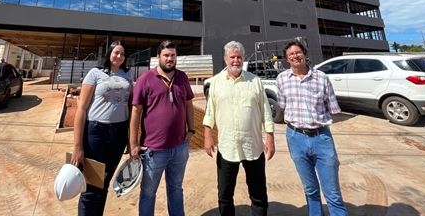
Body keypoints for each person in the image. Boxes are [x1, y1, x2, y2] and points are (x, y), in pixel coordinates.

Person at [276, 40, 347, 216]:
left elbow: (333, 108)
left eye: (298, 52)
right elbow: (283, 106)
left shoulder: (321, 78)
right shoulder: (282, 79)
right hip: (295, 137)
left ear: (305, 54)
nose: (295, 56)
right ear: (286, 59)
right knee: (310, 190)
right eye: (291, 54)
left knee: (332, 192)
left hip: (321, 137)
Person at [203, 41, 275, 216]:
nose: (236, 60)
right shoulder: (216, 83)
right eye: (232, 57)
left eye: (239, 57)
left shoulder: (255, 81)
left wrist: (270, 138)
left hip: (253, 146)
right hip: (227, 147)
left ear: (243, 59)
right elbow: (210, 112)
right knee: (225, 194)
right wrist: (207, 136)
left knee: (258, 193)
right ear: (225, 59)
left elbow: (265, 111)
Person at [129, 41, 195, 216]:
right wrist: (133, 143)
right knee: (149, 193)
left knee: (176, 189)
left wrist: (192, 130)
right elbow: (135, 112)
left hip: (180, 148)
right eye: (166, 55)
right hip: (153, 151)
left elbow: (189, 104)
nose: (170, 59)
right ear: (158, 57)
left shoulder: (182, 77)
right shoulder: (146, 79)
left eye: (173, 55)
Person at [70, 40, 133, 215]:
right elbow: (81, 108)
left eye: (122, 54)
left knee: (104, 184)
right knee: (91, 186)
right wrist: (77, 146)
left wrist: (130, 139)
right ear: (109, 54)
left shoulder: (128, 75)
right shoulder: (95, 73)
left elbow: (129, 107)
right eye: (116, 52)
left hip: (118, 134)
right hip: (95, 132)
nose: (119, 56)